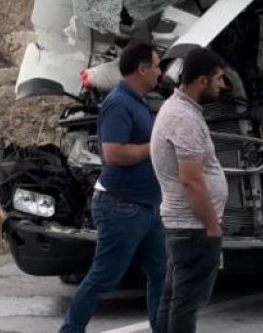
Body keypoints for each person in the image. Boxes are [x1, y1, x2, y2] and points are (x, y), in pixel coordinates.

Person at [60, 41, 167, 333]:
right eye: (156, 65)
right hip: (121, 207)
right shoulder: (118, 103)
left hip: (146, 207)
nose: (160, 72)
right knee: (104, 277)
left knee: (161, 271)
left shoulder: (138, 100)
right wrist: (154, 148)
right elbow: (114, 154)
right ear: (142, 69)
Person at [151, 47, 229, 333]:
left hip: (184, 225)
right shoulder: (183, 118)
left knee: (174, 297)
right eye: (219, 78)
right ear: (200, 80)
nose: (223, 85)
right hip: (193, 226)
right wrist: (212, 227)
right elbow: (191, 180)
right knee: (186, 302)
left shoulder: (179, 109)